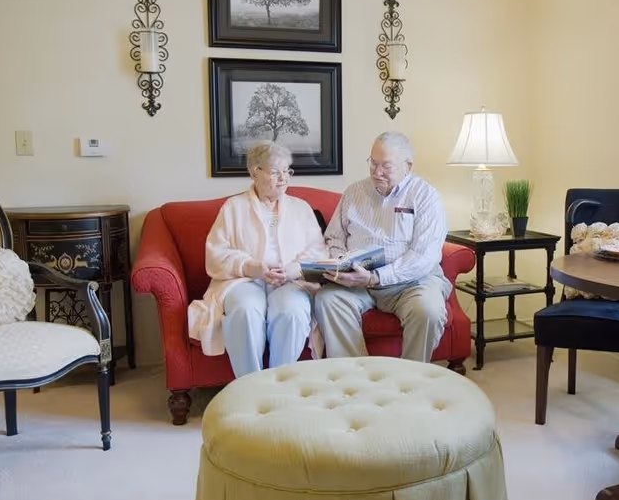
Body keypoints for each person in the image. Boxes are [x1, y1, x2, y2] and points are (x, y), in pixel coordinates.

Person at [188, 140, 326, 377]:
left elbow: (318, 250)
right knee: (245, 310)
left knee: (292, 310)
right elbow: (216, 254)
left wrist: (292, 269)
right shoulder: (233, 207)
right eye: (275, 172)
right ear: (254, 173)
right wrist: (253, 267)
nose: (283, 178)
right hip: (243, 281)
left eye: (287, 171)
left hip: (291, 280)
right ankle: (250, 385)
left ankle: (280, 383)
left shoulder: (301, 208)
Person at [314, 132, 452, 363]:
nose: (377, 172)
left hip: (411, 282)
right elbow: (335, 238)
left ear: (408, 165)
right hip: (355, 282)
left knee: (427, 310)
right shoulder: (354, 192)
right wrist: (342, 266)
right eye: (373, 163)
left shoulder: (426, 197)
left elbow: (424, 256)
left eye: (386, 166)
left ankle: (410, 379)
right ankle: (357, 376)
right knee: (328, 299)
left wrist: (376, 277)